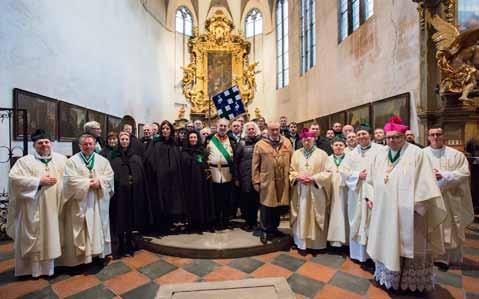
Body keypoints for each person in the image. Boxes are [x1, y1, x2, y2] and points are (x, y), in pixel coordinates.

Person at [366, 116, 446, 292]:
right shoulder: (380, 155)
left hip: (410, 213)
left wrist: (418, 207)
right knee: (388, 242)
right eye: (389, 137)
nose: (392, 140)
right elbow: (370, 181)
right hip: (385, 211)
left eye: (396, 137)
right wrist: (371, 198)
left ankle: (409, 283)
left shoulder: (416, 154)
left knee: (409, 246)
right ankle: (389, 278)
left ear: (404, 136)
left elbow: (425, 182)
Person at [7, 129, 67, 277]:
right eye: (40, 143)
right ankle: (31, 271)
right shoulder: (25, 161)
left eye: (47, 142)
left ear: (51, 143)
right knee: (33, 237)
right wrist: (38, 181)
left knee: (51, 237)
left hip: (53, 209)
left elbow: (69, 179)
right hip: (32, 208)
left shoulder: (61, 159)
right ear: (34, 145)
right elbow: (14, 179)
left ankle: (49, 269)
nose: (44, 145)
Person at [60, 134, 114, 266]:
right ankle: (82, 258)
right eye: (85, 144)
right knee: (83, 228)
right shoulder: (72, 161)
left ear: (95, 144)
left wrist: (99, 181)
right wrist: (87, 183)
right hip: (81, 201)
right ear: (80, 145)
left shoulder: (103, 160)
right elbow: (69, 181)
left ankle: (99, 253)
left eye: (90, 144)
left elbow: (109, 177)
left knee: (99, 226)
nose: (88, 146)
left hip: (98, 200)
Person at [424, 127, 474, 268]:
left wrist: (444, 176)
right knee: (432, 226)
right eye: (432, 134)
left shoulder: (456, 155)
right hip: (430, 198)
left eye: (438, 134)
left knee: (449, 228)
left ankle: (448, 258)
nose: (435, 137)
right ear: (428, 137)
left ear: (443, 136)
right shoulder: (421, 154)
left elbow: (464, 173)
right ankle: (431, 255)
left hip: (450, 198)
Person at [339, 124, 383, 262]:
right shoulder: (351, 154)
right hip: (356, 193)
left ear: (370, 135)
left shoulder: (381, 150)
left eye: (364, 134)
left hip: (375, 192)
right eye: (358, 134)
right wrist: (358, 175)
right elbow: (343, 170)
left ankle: (374, 255)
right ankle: (359, 255)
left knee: (373, 221)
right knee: (357, 221)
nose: (361, 137)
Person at [109, 132, 151, 258]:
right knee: (120, 217)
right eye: (122, 139)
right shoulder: (114, 156)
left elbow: (140, 174)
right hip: (120, 195)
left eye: (126, 139)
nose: (124, 141)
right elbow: (112, 175)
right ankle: (121, 243)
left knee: (131, 217)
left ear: (130, 140)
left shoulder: (136, 157)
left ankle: (130, 242)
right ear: (119, 141)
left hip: (133, 193)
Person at [290, 129, 332, 251]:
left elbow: (328, 172)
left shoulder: (322, 154)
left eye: (309, 139)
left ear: (314, 139)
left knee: (315, 215)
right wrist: (297, 177)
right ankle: (301, 243)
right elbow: (291, 170)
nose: (307, 141)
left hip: (316, 190)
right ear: (301, 140)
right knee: (301, 214)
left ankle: (316, 244)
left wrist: (314, 179)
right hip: (300, 190)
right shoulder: (296, 153)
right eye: (304, 139)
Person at [252, 122, 293, 243]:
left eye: (277, 130)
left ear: (280, 129)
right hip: (267, 180)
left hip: (283, 180)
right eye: (272, 130)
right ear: (267, 131)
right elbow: (255, 165)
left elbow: (292, 160)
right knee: (266, 206)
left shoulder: (287, 142)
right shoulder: (260, 145)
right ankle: (264, 230)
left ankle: (274, 229)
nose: (275, 132)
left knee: (278, 206)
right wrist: (256, 181)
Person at [144, 120, 185, 233]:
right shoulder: (155, 143)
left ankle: (171, 222)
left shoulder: (174, 143)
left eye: (167, 128)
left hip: (173, 179)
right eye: (163, 129)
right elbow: (149, 159)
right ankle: (161, 224)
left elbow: (178, 160)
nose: (165, 130)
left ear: (171, 130)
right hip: (160, 179)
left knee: (172, 201)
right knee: (160, 200)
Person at [181, 130, 215, 231]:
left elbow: (206, 165)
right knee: (191, 203)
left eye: (195, 137)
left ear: (198, 139)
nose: (193, 139)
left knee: (203, 201)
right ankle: (192, 224)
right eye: (191, 137)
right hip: (189, 183)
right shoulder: (184, 152)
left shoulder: (203, 150)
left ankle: (203, 222)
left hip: (202, 182)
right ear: (188, 139)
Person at [206, 119, 235, 229]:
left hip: (227, 173)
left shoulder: (231, 140)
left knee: (227, 199)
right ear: (217, 126)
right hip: (214, 173)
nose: (222, 127)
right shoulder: (210, 139)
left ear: (228, 128)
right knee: (215, 200)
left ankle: (226, 221)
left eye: (225, 126)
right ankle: (216, 221)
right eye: (221, 125)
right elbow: (205, 155)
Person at [234, 122, 262, 231]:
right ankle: (247, 222)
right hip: (244, 176)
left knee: (255, 200)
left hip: (257, 176)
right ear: (246, 131)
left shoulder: (261, 142)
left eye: (253, 129)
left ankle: (254, 222)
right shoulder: (241, 143)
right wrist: (236, 177)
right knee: (246, 201)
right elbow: (236, 161)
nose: (251, 131)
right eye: (249, 129)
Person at [326, 138, 349, 248]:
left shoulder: (349, 158)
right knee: (333, 214)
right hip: (332, 191)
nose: (338, 147)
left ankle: (346, 240)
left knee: (345, 213)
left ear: (345, 146)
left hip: (345, 191)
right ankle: (333, 240)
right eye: (336, 145)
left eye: (341, 145)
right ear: (332, 146)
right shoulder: (328, 159)